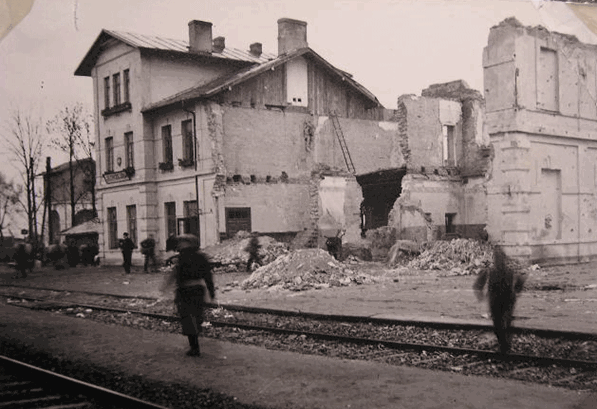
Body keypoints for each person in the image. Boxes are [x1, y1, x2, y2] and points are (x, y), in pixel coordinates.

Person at [161, 234, 215, 357]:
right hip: (198, 290)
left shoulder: (182, 258)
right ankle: (195, 342)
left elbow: (176, 275)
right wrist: (212, 293)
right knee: (196, 316)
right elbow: (208, 276)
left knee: (187, 319)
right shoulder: (201, 257)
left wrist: (166, 287)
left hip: (185, 291)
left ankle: (194, 347)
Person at [473, 245, 526, 354]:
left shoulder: (491, 265)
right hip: (505, 297)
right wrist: (517, 289)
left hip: (498, 298)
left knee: (499, 323)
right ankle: (505, 345)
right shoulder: (506, 264)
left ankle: (504, 346)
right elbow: (522, 276)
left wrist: (480, 293)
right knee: (504, 322)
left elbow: (479, 282)